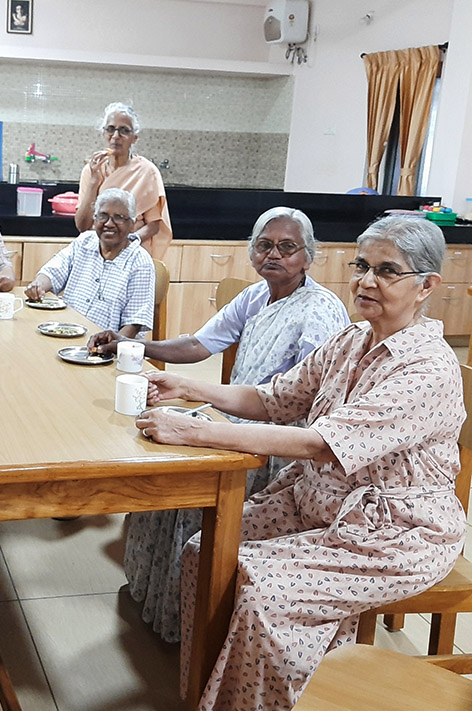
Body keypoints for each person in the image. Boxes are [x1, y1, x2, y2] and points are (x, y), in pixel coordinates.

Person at [135, 215, 465, 711]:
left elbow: (321, 443)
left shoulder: (427, 367)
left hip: (392, 529)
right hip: (315, 501)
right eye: (362, 266)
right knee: (203, 552)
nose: (366, 281)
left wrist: (195, 430)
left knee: (265, 593)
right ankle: (207, 690)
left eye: (387, 271)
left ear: (426, 286)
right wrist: (190, 387)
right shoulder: (352, 340)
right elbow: (273, 399)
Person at [91, 207, 350, 643]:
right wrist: (131, 341)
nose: (275, 254)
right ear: (251, 253)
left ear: (309, 257)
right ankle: (154, 597)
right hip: (231, 419)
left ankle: (192, 625)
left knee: (185, 482)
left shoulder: (319, 310)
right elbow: (197, 343)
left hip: (276, 448)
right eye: (264, 245)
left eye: (288, 247)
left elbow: (308, 400)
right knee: (157, 467)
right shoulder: (254, 297)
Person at [24, 188, 155, 337]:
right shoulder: (84, 242)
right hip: (65, 332)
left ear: (132, 224)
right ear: (94, 219)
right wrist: (38, 286)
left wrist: (108, 346)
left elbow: (134, 323)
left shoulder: (141, 262)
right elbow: (52, 272)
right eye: (103, 216)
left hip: (109, 348)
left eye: (119, 218)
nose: (109, 224)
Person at [75, 102, 173, 260]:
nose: (115, 136)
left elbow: (153, 225)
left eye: (124, 130)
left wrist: (126, 244)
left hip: (134, 252)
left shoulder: (147, 171)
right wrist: (94, 182)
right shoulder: (92, 170)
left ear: (134, 138)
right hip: (97, 253)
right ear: (103, 133)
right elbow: (82, 225)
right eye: (110, 129)